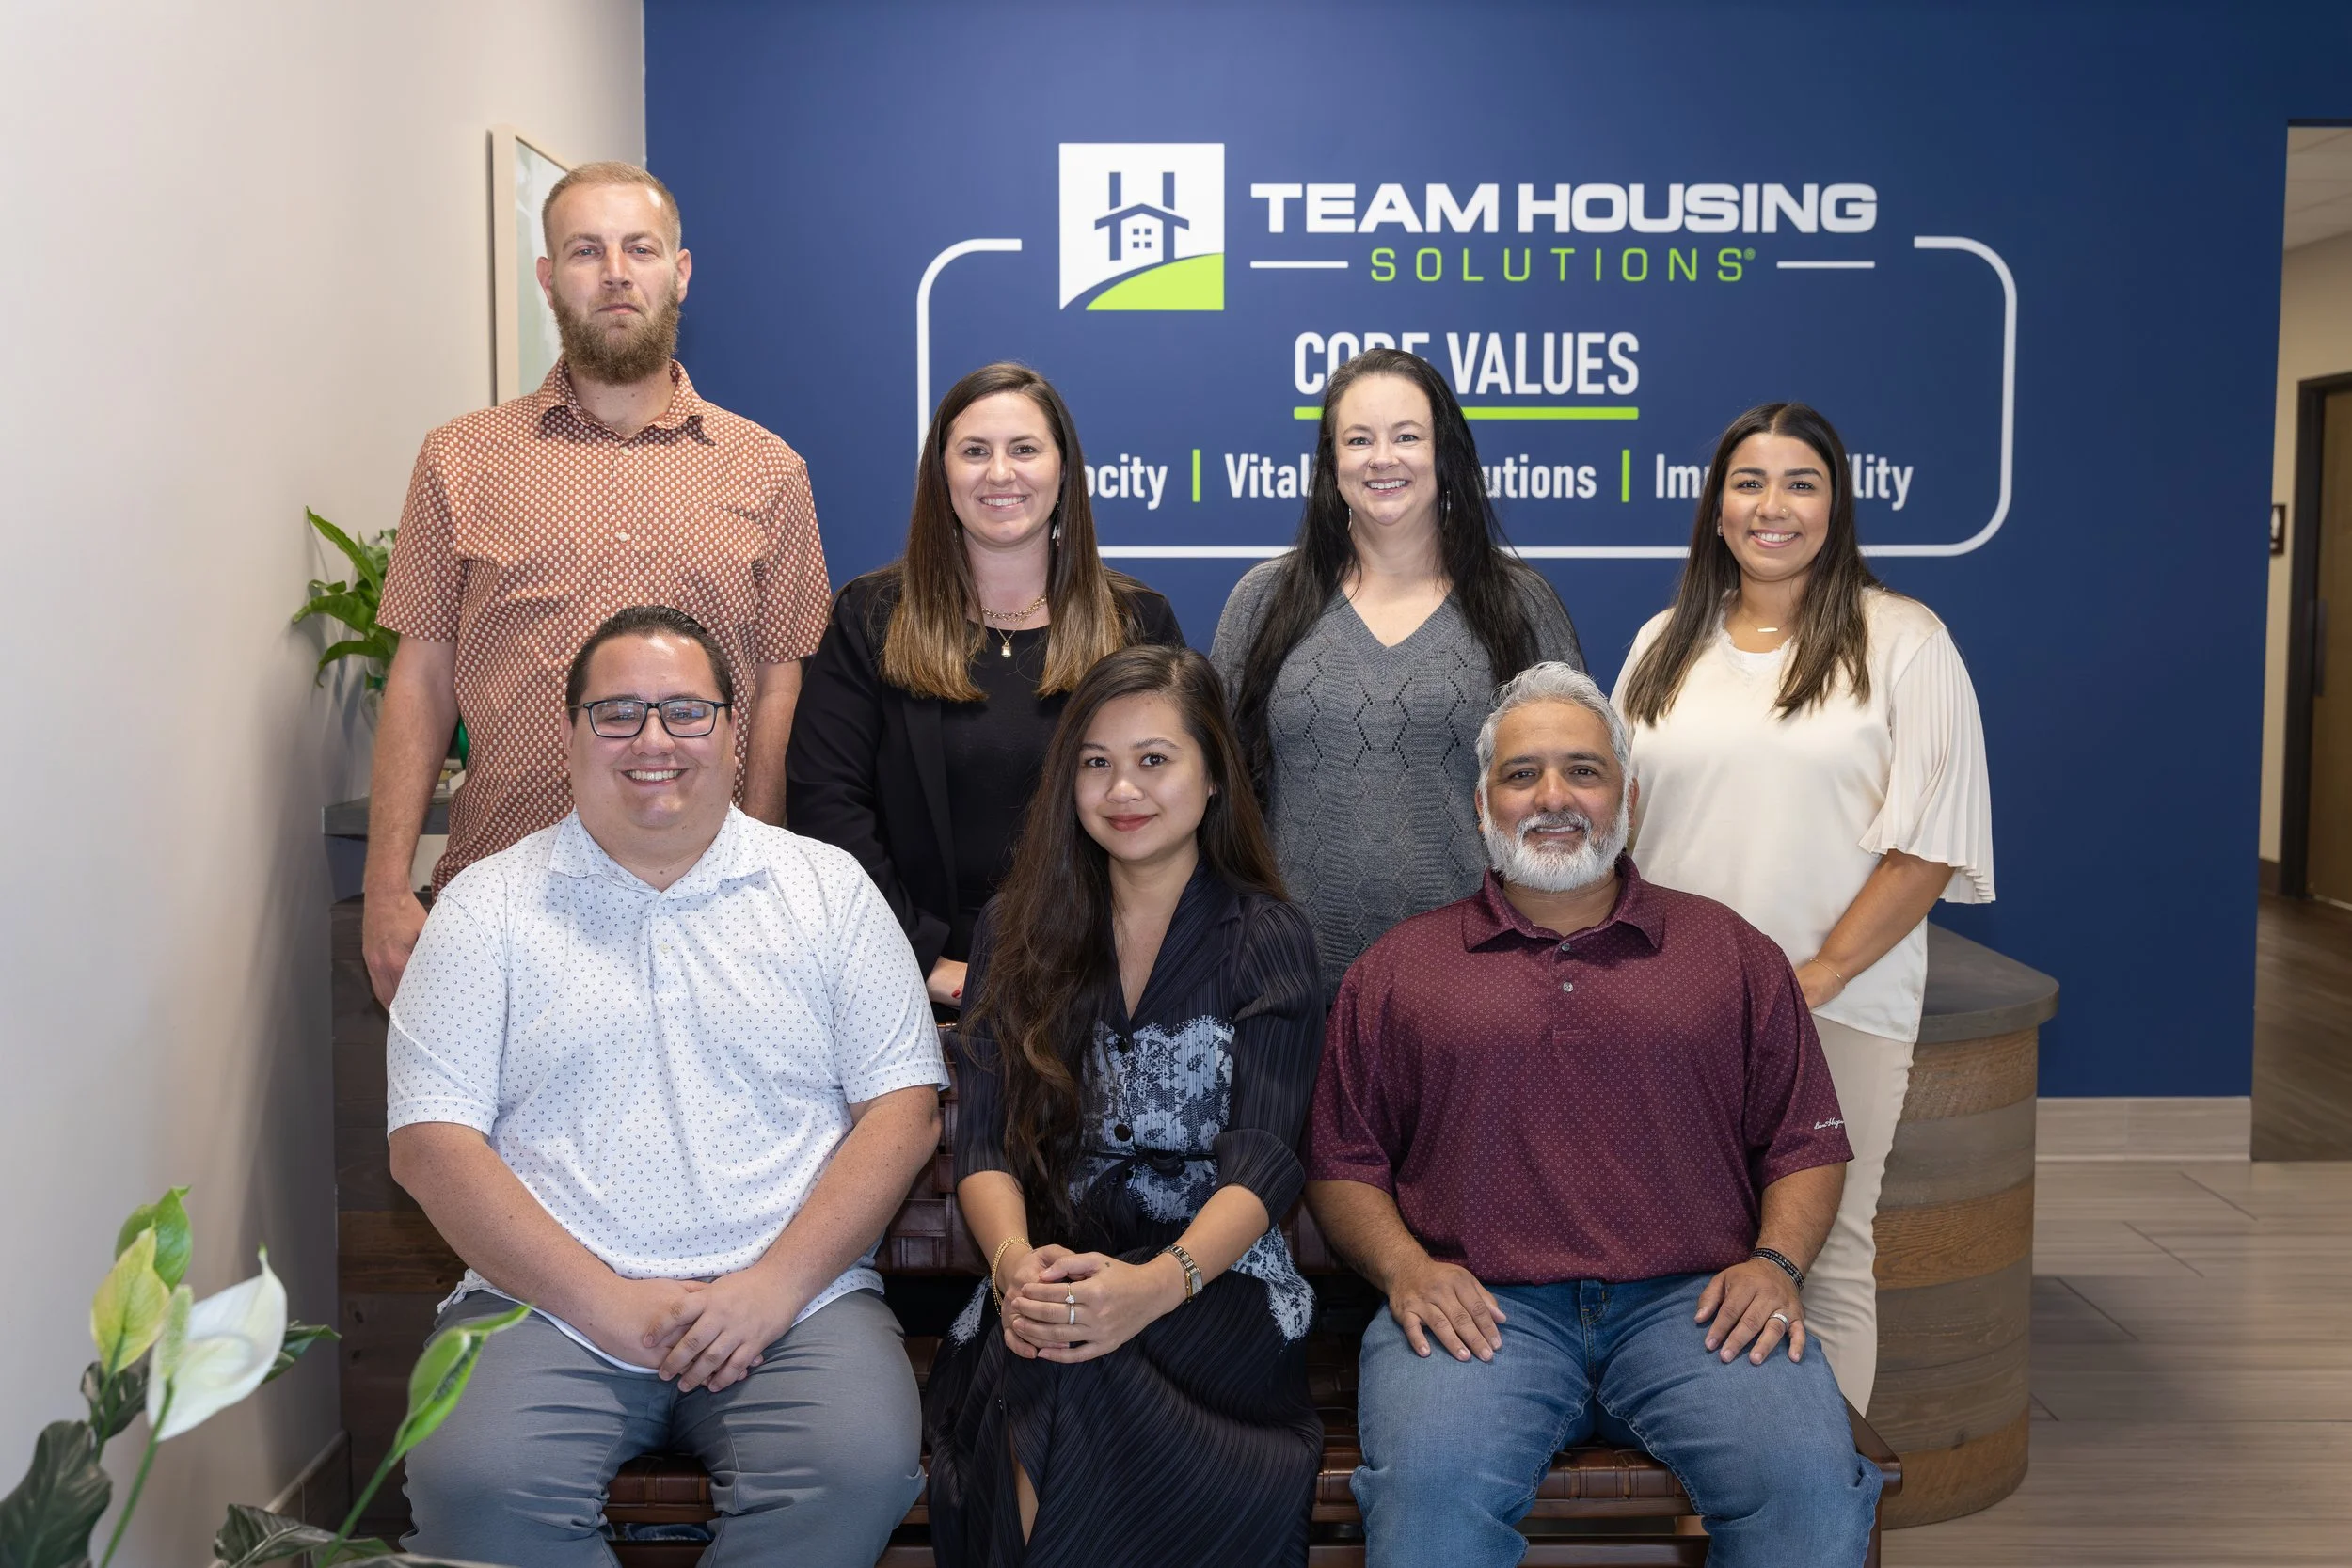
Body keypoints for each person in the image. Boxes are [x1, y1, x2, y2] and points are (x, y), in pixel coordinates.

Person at [386, 606, 946, 1568]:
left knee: (855, 1463)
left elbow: (901, 1109)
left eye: (686, 710)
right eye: (618, 712)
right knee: (474, 1476)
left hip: (793, 1303)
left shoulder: (826, 889)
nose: (654, 739)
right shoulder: (487, 902)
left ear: (734, 729)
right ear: (569, 734)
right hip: (547, 1303)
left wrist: (772, 1284)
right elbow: (429, 1143)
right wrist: (606, 1301)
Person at [1306, 663, 1883, 1568]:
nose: (1553, 796)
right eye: (1522, 772)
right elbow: (1344, 1163)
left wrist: (1777, 1263)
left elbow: (1805, 1138)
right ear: (1481, 801)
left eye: (1583, 769)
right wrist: (1406, 1269)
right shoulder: (1399, 968)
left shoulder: (1731, 951)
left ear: (1629, 796)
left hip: (1697, 1311)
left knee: (1809, 1495)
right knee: (1431, 1510)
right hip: (1480, 1314)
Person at [365, 160, 832, 1006]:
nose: (616, 273)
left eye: (639, 249)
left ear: (679, 274)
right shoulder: (460, 459)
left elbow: (778, 685)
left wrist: (760, 862)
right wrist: (388, 888)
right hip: (502, 903)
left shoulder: (770, 470)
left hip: (708, 906)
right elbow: (422, 676)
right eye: (586, 251)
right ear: (549, 279)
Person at [1612, 403, 1994, 1415]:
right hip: (1668, 1011)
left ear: (1836, 504)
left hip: (1830, 1007)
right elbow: (1620, 825)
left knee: (1820, 1259)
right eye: (1748, 482)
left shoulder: (1904, 639)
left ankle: (1823, 1512)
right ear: (1716, 505)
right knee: (1681, 1258)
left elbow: (1929, 847)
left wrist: (1813, 976)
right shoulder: (1662, 643)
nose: (1770, 506)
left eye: (1798, 482)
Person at [921, 644, 1325, 1568]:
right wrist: (1018, 1267)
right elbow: (980, 1141)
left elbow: (1264, 1160)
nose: (1121, 788)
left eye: (1154, 759)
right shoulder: (1012, 930)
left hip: (1213, 1281)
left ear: (1214, 774)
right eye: (1095, 762)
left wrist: (1149, 1287)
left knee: (1070, 1374)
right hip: (1051, 1266)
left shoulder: (1266, 936)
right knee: (1046, 1350)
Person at [788, 362, 1183, 1012]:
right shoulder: (870, 618)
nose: (1001, 473)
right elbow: (826, 806)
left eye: (1024, 449)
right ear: (942, 477)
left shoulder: (1138, 624)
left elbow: (1173, 807)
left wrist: (1117, 960)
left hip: (1099, 984)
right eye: (975, 451)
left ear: (1063, 470)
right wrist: (923, 962)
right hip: (908, 989)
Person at [1211, 347, 1583, 1000]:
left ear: (1446, 455)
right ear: (1332, 464)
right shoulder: (1263, 601)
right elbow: (1212, 790)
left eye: (1407, 436)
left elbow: (1578, 796)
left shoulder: (1520, 605)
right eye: (1359, 439)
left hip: (1479, 985)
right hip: (1288, 991)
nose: (1383, 457)